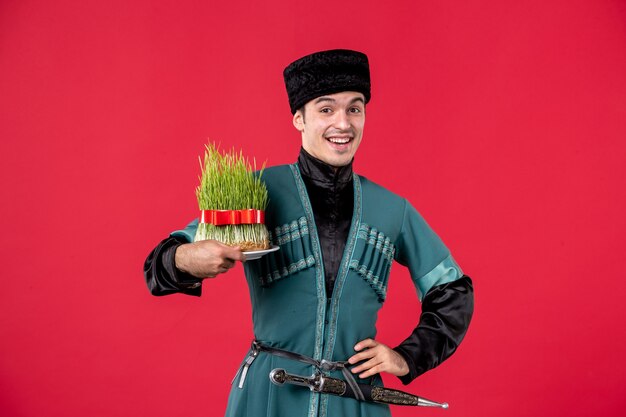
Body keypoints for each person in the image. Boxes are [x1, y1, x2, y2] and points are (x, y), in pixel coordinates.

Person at [144, 49, 474, 417]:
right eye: (326, 109)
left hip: (355, 398)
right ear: (298, 119)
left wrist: (407, 357)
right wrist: (187, 258)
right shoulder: (257, 191)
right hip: (269, 395)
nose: (343, 124)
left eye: (355, 108)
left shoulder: (392, 209)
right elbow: (161, 264)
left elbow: (452, 289)